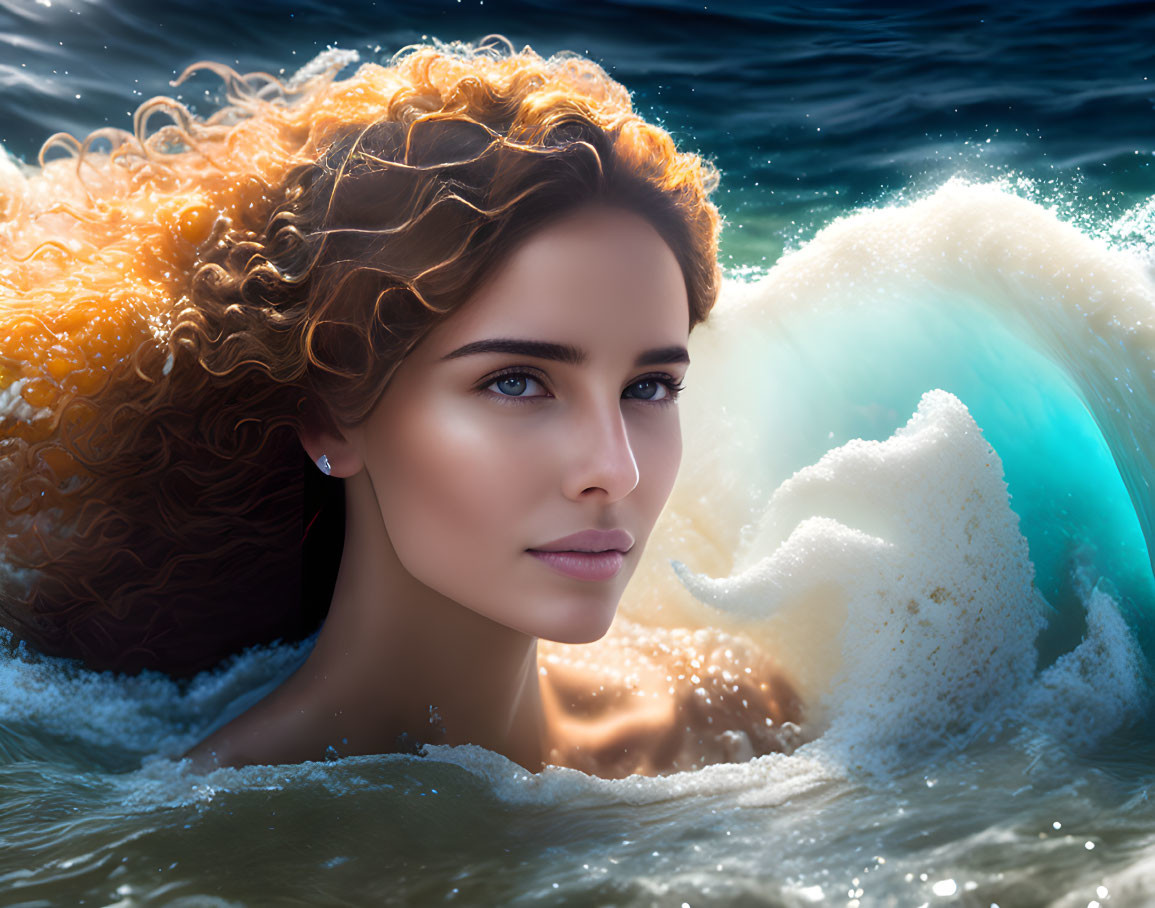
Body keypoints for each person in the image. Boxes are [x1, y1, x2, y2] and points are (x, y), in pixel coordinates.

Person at [0, 35, 802, 777]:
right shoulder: (215, 844)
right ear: (330, 416)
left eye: (647, 388)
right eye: (516, 382)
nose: (612, 470)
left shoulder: (734, 713)